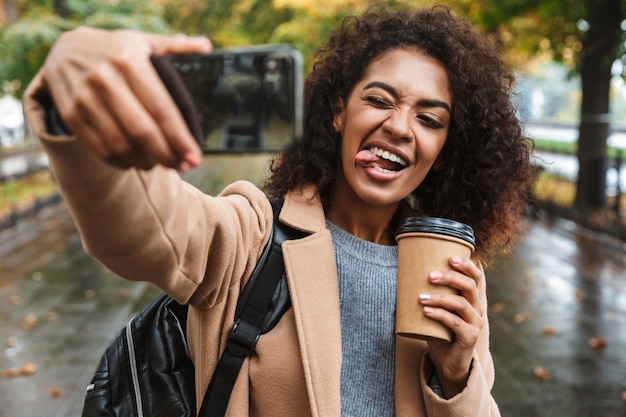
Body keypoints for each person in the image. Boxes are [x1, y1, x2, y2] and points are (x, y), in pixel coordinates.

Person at [24, 4, 533, 417]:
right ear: (338, 112)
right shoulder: (252, 234)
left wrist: (456, 376)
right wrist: (70, 102)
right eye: (379, 100)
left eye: (429, 118)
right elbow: (137, 233)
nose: (401, 126)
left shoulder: (453, 272)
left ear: (447, 146)